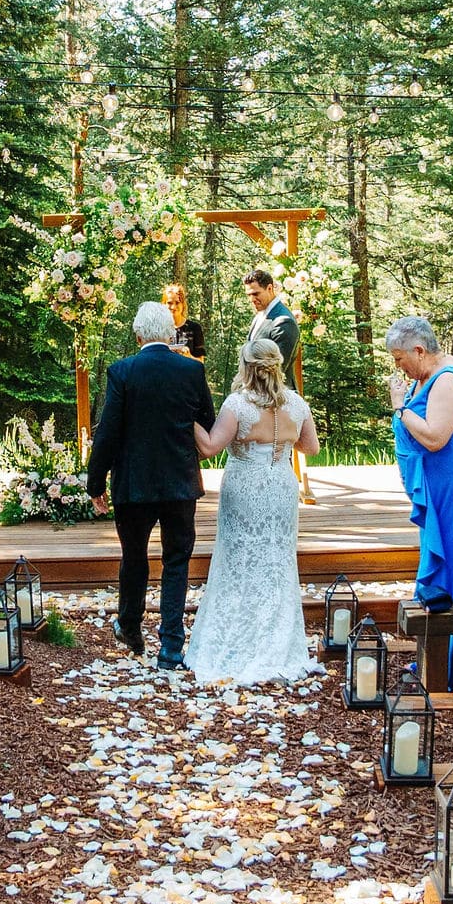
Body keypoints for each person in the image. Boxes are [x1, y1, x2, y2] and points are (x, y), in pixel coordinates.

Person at [87, 301, 218, 669]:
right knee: (177, 561)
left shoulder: (122, 371)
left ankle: (130, 627)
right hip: (180, 482)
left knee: (134, 556)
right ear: (170, 334)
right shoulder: (191, 371)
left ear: (139, 334)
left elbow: (108, 433)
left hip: (134, 483)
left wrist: (95, 480)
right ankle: (171, 647)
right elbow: (206, 418)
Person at [184, 338, 321, 685]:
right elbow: (311, 447)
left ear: (247, 366)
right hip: (281, 487)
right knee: (277, 560)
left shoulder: (238, 405)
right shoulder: (297, 404)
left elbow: (211, 447)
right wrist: (282, 443)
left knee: (238, 558)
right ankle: (278, 642)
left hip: (245, 488)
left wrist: (186, 417)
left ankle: (235, 641)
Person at [386, 315, 453, 691]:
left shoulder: (447, 379)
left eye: (400, 358)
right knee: (448, 565)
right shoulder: (428, 376)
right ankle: (440, 660)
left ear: (419, 350)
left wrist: (400, 408)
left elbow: (435, 437)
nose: (398, 365)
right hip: (444, 488)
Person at [243, 270, 299, 375]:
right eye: (249, 295)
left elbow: (276, 370)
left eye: (255, 294)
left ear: (269, 288)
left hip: (275, 390)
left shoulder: (284, 322)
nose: (252, 299)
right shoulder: (260, 315)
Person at [163, 284, 206, 359]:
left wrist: (188, 356)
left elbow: (201, 364)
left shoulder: (194, 328)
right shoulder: (159, 328)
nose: (173, 307)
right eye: (169, 303)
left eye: (177, 302)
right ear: (163, 304)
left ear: (183, 304)